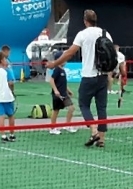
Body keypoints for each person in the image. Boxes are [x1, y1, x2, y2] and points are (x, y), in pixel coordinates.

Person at [47, 9, 113, 148]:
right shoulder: (105, 33)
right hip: (102, 75)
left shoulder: (82, 34)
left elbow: (70, 53)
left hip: (89, 76)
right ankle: (101, 139)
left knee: (84, 105)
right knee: (102, 108)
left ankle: (93, 130)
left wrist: (54, 63)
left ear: (85, 21)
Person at [48, 48, 74, 133]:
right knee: (56, 111)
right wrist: (56, 91)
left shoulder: (63, 70)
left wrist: (68, 90)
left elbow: (63, 83)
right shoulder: (57, 70)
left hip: (64, 94)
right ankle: (52, 128)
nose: (65, 61)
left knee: (71, 108)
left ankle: (67, 125)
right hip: (58, 95)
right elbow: (51, 80)